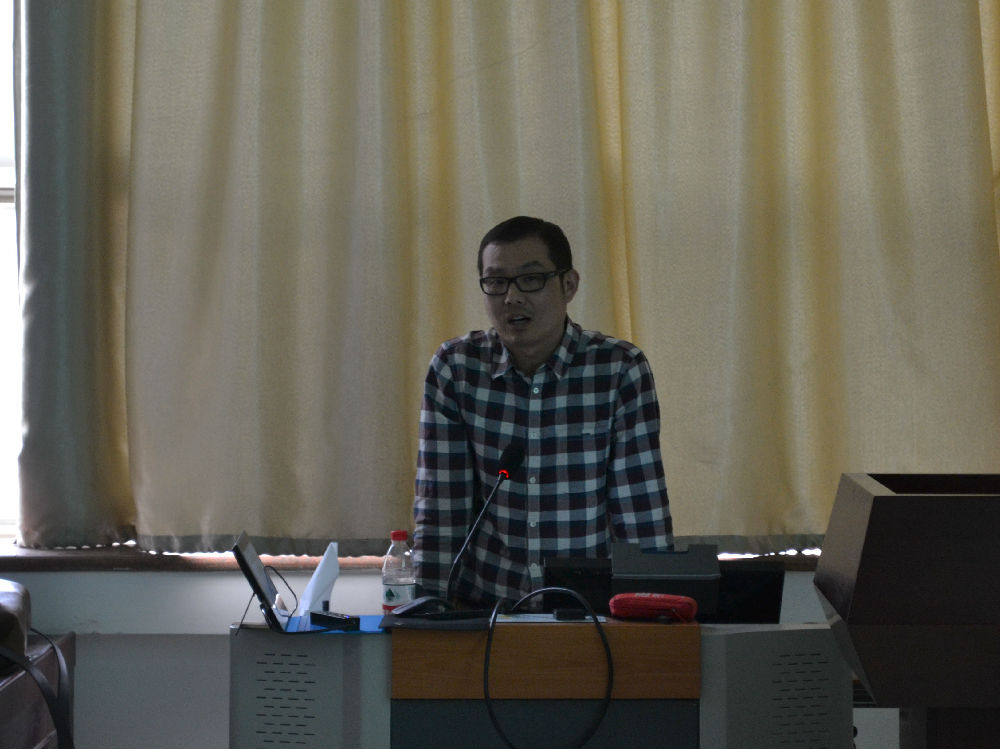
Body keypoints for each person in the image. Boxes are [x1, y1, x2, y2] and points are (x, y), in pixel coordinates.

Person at [412, 216, 673, 606]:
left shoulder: (618, 369)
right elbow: (441, 512)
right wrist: (428, 613)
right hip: (484, 609)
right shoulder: (457, 367)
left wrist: (656, 614)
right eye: (496, 282)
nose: (512, 298)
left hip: (586, 612)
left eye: (531, 279)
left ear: (569, 285)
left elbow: (640, 515)